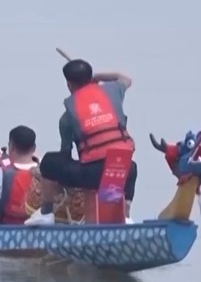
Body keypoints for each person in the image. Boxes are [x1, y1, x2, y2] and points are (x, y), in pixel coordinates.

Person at [25, 59, 135, 226]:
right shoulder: (113, 91)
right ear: (91, 78)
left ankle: (46, 214)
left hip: (94, 175)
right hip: (125, 168)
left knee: (49, 162)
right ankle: (125, 217)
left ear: (69, 85)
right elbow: (126, 78)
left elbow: (65, 154)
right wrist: (98, 76)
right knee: (131, 167)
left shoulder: (67, 117)